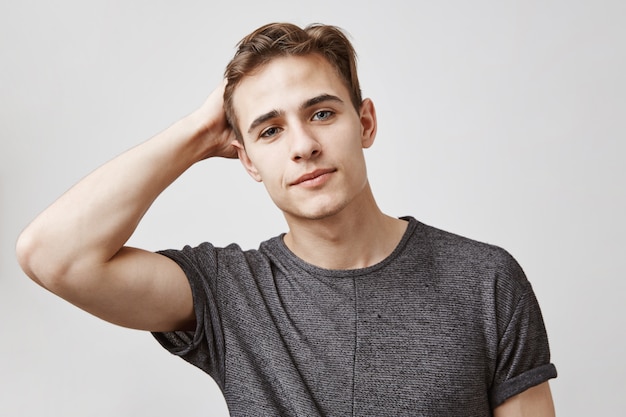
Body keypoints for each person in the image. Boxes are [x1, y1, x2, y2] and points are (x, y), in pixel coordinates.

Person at [16, 22, 557, 416]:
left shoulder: (484, 279)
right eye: (270, 130)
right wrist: (199, 132)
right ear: (246, 159)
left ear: (364, 122)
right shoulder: (230, 293)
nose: (303, 146)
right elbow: (52, 255)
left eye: (321, 113)